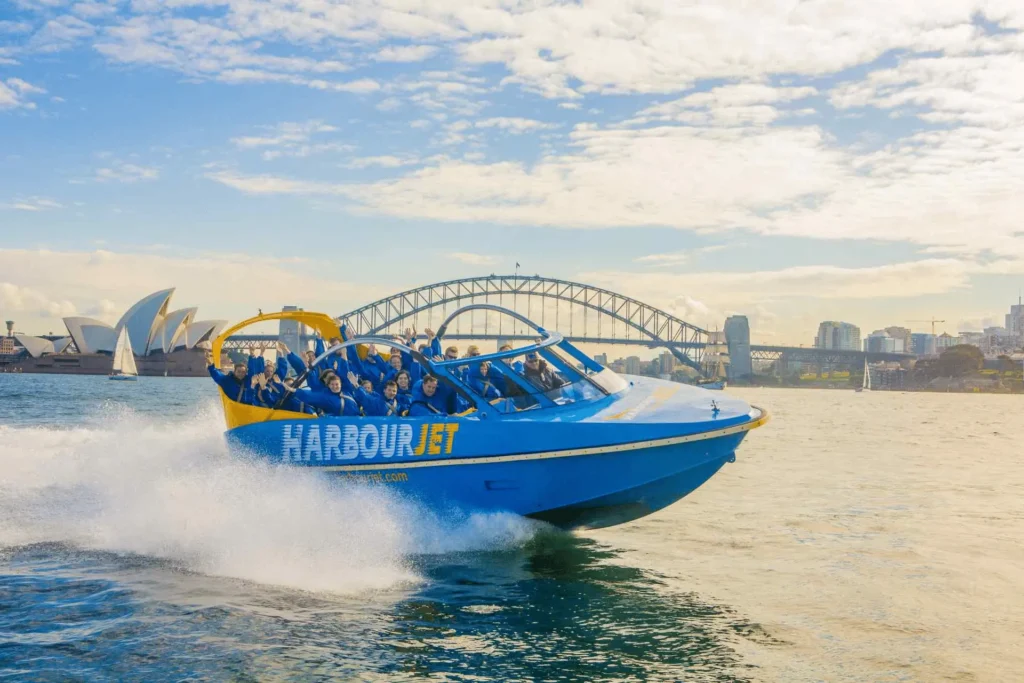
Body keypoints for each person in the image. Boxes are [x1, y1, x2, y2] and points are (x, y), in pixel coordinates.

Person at [286, 374, 360, 416]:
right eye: (332, 384)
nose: (335, 386)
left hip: (357, 421)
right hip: (341, 424)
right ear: (328, 385)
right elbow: (310, 396)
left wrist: (356, 385)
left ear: (340, 384)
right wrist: (293, 390)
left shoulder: (347, 392)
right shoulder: (325, 397)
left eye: (337, 384)